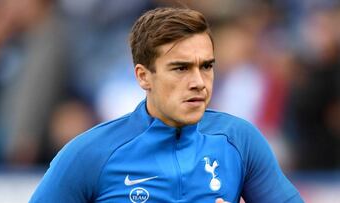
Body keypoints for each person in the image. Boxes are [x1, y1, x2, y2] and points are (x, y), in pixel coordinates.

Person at [30, 7, 303, 203]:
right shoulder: (89, 153)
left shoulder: (239, 140)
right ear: (143, 76)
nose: (199, 82)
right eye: (181, 68)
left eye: (206, 66)